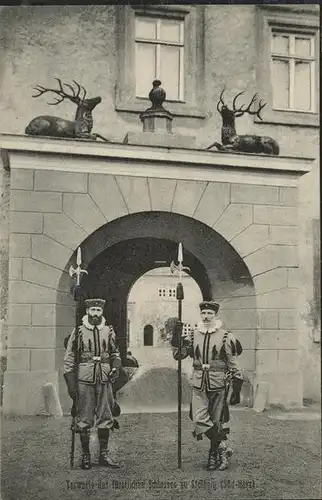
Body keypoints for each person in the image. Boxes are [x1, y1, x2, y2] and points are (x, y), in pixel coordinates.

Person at [171, 300, 243, 471]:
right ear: (201, 315)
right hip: (198, 383)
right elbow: (179, 355)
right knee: (199, 419)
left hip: (218, 383)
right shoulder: (194, 334)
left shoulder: (226, 336)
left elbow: (233, 363)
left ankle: (213, 456)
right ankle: (223, 447)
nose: (206, 316)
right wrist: (176, 335)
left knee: (216, 421)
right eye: (204, 313)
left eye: (210, 313)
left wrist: (237, 388)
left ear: (215, 315)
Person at [63, 298, 122, 470]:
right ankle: (86, 455)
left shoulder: (108, 331)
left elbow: (115, 352)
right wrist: (71, 385)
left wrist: (116, 367)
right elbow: (69, 360)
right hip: (84, 380)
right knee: (84, 418)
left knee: (105, 416)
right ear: (87, 311)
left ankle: (103, 454)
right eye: (93, 310)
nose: (95, 314)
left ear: (102, 312)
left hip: (104, 379)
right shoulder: (79, 331)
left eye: (98, 310)